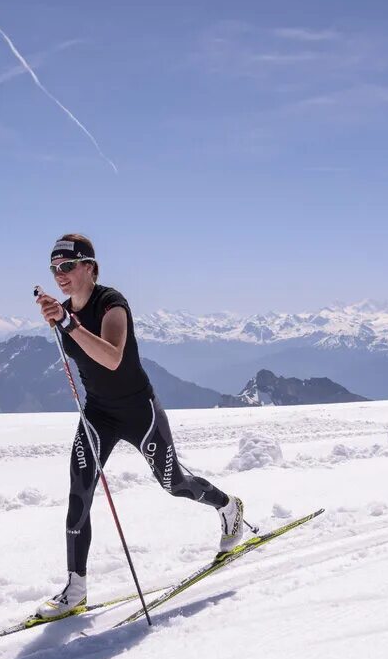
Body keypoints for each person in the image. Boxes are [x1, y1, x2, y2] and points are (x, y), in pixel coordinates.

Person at [32, 233, 243, 619]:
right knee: (79, 491)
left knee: (173, 482)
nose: (59, 275)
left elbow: (112, 358)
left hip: (138, 411)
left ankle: (229, 507)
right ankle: (75, 587)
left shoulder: (112, 304)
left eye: (67, 266)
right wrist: (61, 323)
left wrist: (67, 322)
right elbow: (81, 359)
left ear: (90, 268)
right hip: (98, 413)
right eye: (54, 269)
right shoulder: (64, 311)